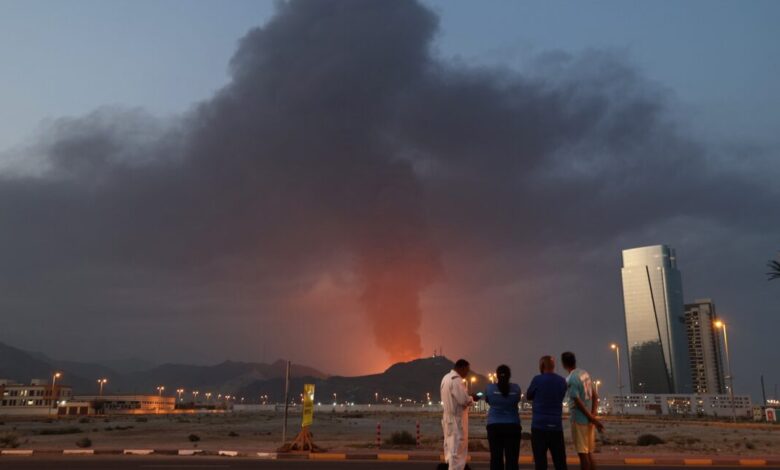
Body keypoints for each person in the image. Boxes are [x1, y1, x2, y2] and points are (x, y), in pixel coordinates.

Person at [561, 352, 604, 470]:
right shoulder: (585, 374)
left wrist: (591, 418)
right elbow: (595, 396)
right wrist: (593, 415)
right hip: (589, 420)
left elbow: (577, 401)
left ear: (563, 364)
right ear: (575, 361)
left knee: (583, 455)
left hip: (579, 420)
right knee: (589, 453)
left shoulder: (570, 379)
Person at [526, 355, 568, 470]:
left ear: (541, 366)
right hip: (556, 427)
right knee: (560, 462)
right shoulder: (561, 381)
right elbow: (561, 395)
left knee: (540, 463)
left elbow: (528, 395)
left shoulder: (537, 379)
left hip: (539, 427)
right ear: (554, 366)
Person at [483, 364, 522, 470]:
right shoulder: (516, 388)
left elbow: (488, 400)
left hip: (494, 426)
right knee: (512, 460)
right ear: (509, 376)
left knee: (496, 459)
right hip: (513, 426)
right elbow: (517, 400)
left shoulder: (490, 388)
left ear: (497, 376)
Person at [440, 359, 475, 470]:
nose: (467, 373)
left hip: (447, 419)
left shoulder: (445, 378)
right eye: (467, 370)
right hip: (457, 420)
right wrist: (472, 398)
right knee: (457, 453)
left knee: (450, 451)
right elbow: (463, 400)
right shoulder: (457, 380)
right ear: (462, 368)